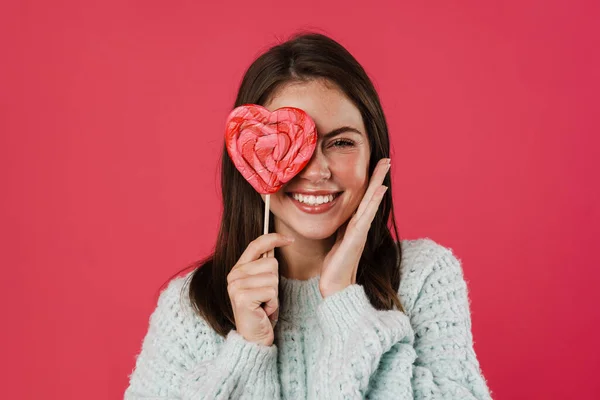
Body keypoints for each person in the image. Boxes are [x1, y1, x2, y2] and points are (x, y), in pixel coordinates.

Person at [124, 32, 493, 399]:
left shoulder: (424, 277)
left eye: (341, 142)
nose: (316, 171)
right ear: (249, 158)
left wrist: (346, 304)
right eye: (287, 145)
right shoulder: (190, 307)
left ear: (373, 153)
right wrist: (248, 352)